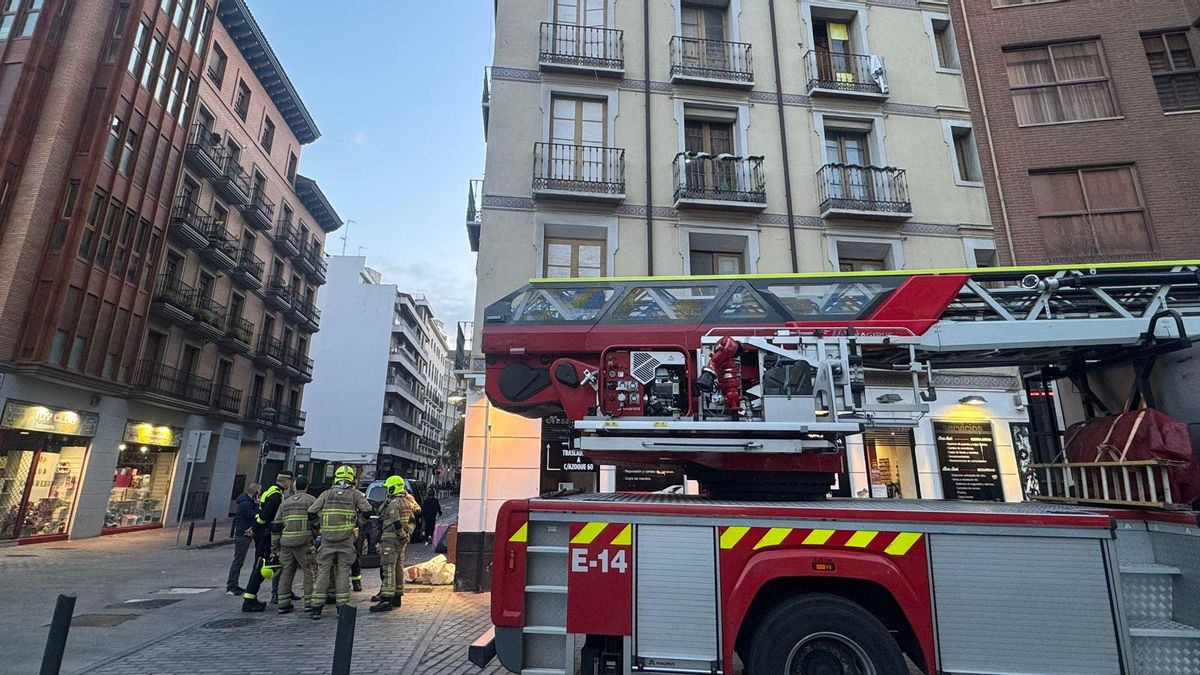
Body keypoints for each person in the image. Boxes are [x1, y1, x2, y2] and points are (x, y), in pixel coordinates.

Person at [308, 465, 371, 619]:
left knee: (323, 572)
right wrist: (359, 523)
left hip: (327, 540)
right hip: (346, 540)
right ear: (352, 479)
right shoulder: (354, 494)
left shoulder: (326, 494)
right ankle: (342, 607)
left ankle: (316, 608)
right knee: (343, 572)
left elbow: (311, 512)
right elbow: (368, 510)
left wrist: (319, 524)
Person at [242, 471, 293, 612]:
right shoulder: (276, 495)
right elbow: (265, 516)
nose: (290, 484)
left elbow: (260, 512)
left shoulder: (270, 490)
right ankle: (249, 601)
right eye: (290, 481)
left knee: (260, 565)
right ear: (286, 481)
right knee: (261, 566)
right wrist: (255, 527)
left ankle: (251, 597)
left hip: (261, 533)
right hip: (265, 534)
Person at [370, 476, 420, 612]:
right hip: (400, 542)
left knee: (389, 569)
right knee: (398, 567)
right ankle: (397, 596)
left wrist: (402, 536)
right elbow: (413, 521)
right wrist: (408, 534)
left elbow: (395, 522)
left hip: (390, 541)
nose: (387, 490)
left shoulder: (393, 504)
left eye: (388, 488)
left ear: (393, 488)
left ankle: (386, 599)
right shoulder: (406, 502)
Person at [271, 475, 316, 615]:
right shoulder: (311, 501)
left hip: (286, 543)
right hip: (304, 543)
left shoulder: (285, 502)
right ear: (307, 487)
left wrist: (274, 547)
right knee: (309, 572)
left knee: (286, 572)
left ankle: (283, 604)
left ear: (294, 487)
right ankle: (309, 604)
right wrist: (315, 534)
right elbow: (317, 521)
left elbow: (277, 525)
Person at [226, 483, 260, 595]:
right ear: (255, 493)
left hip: (244, 534)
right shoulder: (246, 504)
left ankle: (234, 584)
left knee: (239, 561)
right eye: (259, 491)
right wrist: (257, 505)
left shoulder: (245, 502)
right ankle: (231, 585)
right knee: (238, 561)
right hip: (243, 535)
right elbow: (254, 515)